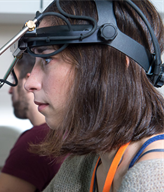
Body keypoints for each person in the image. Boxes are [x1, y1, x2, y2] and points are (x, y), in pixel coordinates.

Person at [24, 0, 164, 191]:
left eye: (47, 58)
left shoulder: (154, 177)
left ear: (115, 67)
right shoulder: (83, 165)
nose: (29, 83)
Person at [0, 53, 63, 192]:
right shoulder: (64, 132)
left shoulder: (38, 139)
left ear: (28, 81)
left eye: (13, 80)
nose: (10, 90)